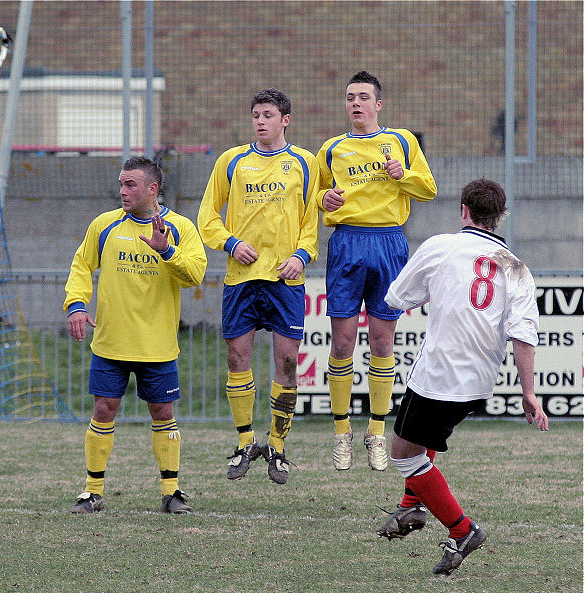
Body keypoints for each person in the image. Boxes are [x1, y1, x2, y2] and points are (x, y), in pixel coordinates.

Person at [377, 178, 548, 575]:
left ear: (464, 211)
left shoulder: (440, 246)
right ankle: (410, 508)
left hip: (438, 374)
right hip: (478, 382)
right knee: (424, 439)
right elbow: (523, 335)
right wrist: (529, 393)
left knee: (403, 454)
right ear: (501, 216)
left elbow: (396, 298)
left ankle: (462, 529)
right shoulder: (517, 269)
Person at [64, 157, 207, 514]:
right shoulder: (105, 225)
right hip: (111, 341)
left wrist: (167, 251)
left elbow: (195, 275)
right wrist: (77, 304)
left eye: (130, 185)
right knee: (103, 409)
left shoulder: (181, 228)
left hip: (157, 344)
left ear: (152, 189)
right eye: (121, 184)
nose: (123, 191)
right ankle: (92, 492)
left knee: (162, 413)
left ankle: (171, 492)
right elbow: (82, 264)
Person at [197, 88, 321, 484]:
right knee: (237, 360)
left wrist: (302, 255)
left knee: (286, 363)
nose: (260, 121)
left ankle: (278, 448)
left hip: (286, 280)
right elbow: (206, 217)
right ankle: (245, 442)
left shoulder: (305, 162)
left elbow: (311, 220)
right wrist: (232, 243)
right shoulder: (231, 161)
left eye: (268, 114)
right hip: (242, 279)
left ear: (285, 119)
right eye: (255, 115)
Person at [316, 71, 437, 471]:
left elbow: (428, 189)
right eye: (350, 97)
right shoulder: (331, 148)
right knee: (343, 343)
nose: (356, 103)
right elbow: (316, 194)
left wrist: (405, 175)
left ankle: (377, 433)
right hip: (347, 242)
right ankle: (341, 434)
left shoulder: (401, 141)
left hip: (388, 242)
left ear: (378, 104)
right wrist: (325, 198)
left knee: (383, 342)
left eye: (364, 97)